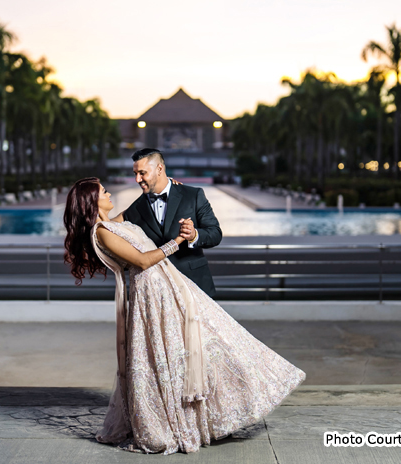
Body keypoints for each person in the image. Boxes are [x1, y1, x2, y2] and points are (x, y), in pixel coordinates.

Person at [63, 177, 305, 455]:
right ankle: (174, 422)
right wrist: (178, 240)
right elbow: (142, 261)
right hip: (154, 294)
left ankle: (226, 408)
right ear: (92, 201)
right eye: (103, 191)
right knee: (173, 355)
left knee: (214, 340)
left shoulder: (113, 222)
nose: (108, 193)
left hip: (169, 285)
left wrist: (167, 185)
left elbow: (139, 208)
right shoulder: (102, 231)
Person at [123, 148, 221, 297]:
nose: (137, 179)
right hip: (156, 293)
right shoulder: (133, 210)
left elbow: (215, 234)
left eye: (142, 173)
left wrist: (194, 235)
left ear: (159, 169)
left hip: (195, 287)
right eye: (135, 174)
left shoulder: (193, 195)